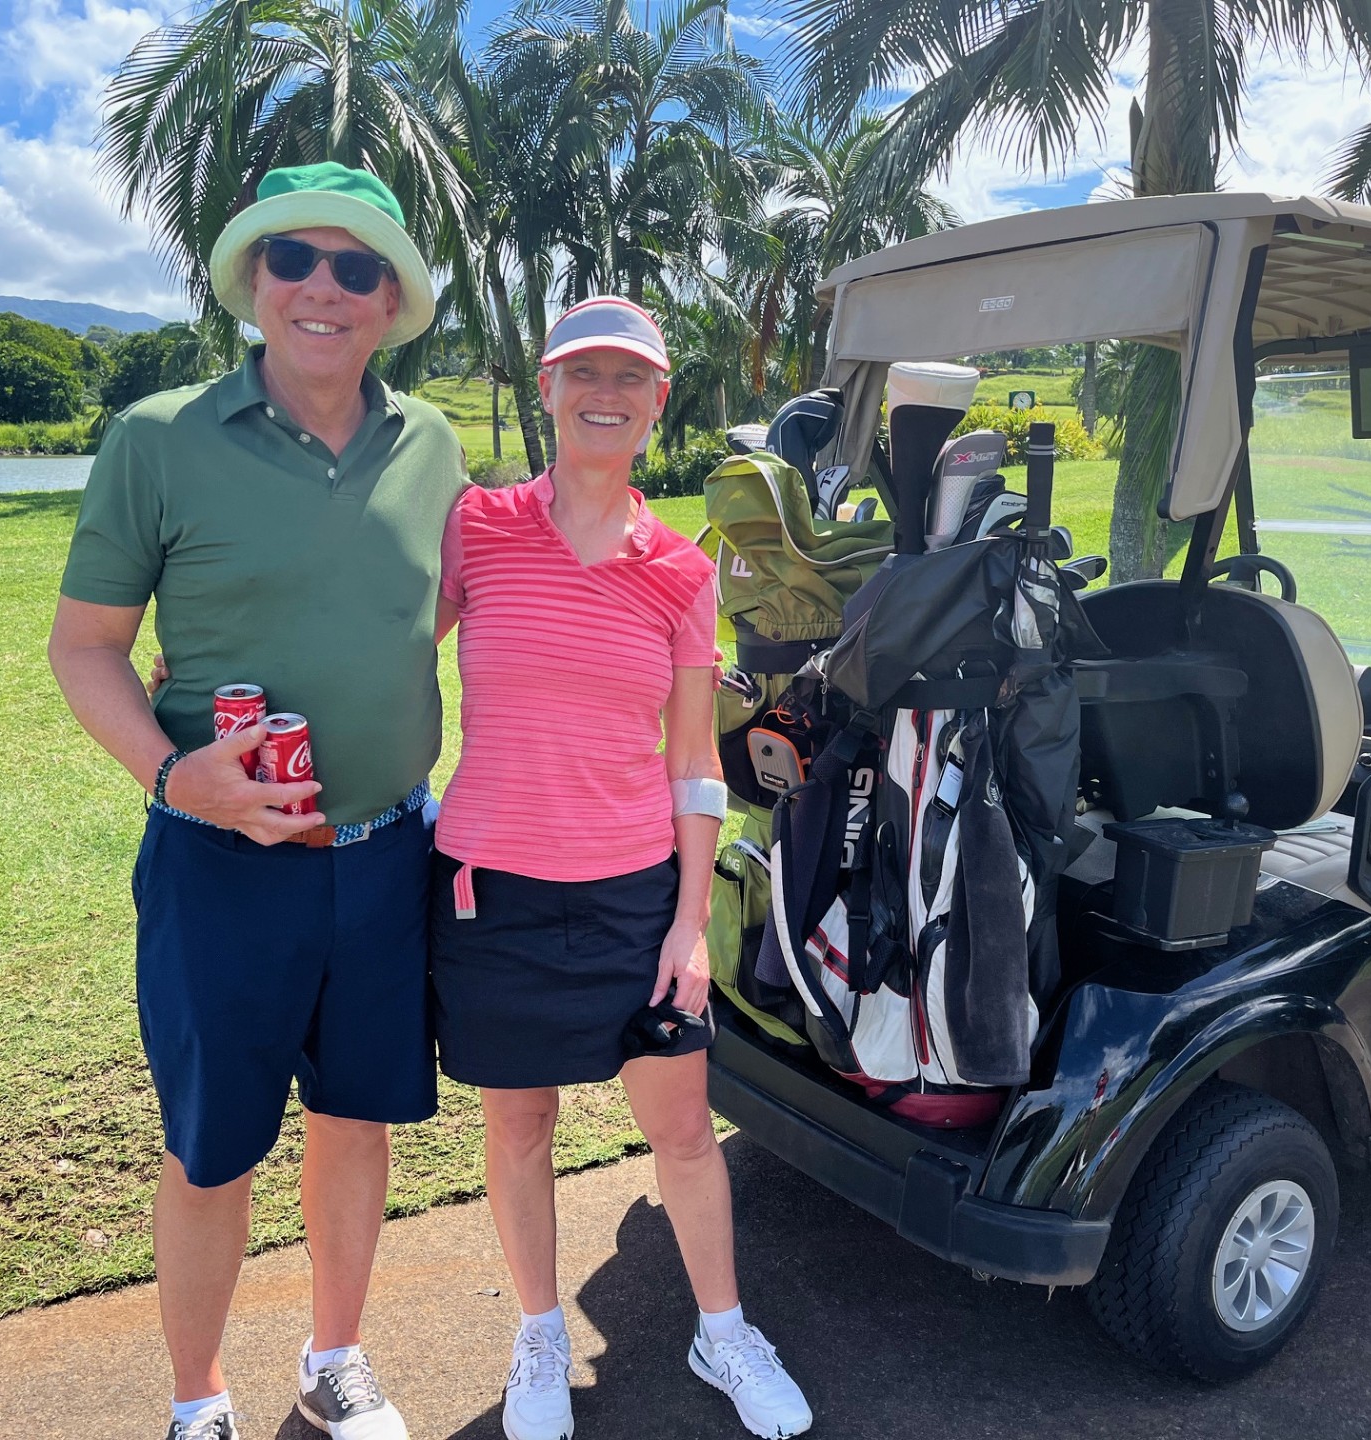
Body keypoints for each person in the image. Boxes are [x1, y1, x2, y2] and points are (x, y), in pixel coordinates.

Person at [47, 161, 464, 1440]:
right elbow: (85, 647)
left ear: (390, 302)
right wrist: (175, 775)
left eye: (356, 267)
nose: (321, 288)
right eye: (294, 259)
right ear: (253, 280)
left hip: (387, 855)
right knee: (211, 1148)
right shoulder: (159, 438)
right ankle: (199, 1400)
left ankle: (335, 1361)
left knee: (355, 1123)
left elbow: (426, 604)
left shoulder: (433, 443)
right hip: (219, 868)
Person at [430, 296, 814, 1440]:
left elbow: (695, 764)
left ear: (657, 403)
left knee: (683, 1130)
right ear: (546, 387)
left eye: (630, 376)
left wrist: (690, 924)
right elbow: (379, 651)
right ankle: (539, 1331)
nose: (606, 392)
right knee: (520, 1128)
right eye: (584, 371)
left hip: (635, 895)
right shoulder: (477, 528)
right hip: (492, 889)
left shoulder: (680, 572)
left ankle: (722, 1330)